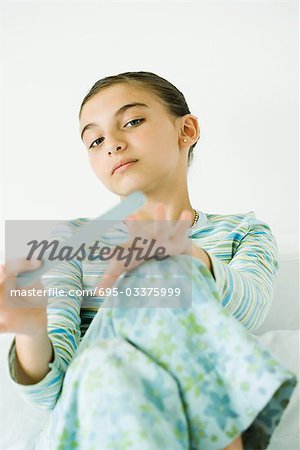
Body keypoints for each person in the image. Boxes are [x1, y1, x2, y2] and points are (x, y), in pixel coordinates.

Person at [0, 71, 297, 450]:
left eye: (133, 121)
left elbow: (248, 310)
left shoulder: (243, 231)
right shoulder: (69, 240)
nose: (113, 145)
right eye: (95, 140)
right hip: (92, 416)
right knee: (109, 362)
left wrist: (181, 252)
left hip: (182, 417)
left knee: (164, 274)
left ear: (186, 130)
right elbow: (52, 395)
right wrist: (31, 330)